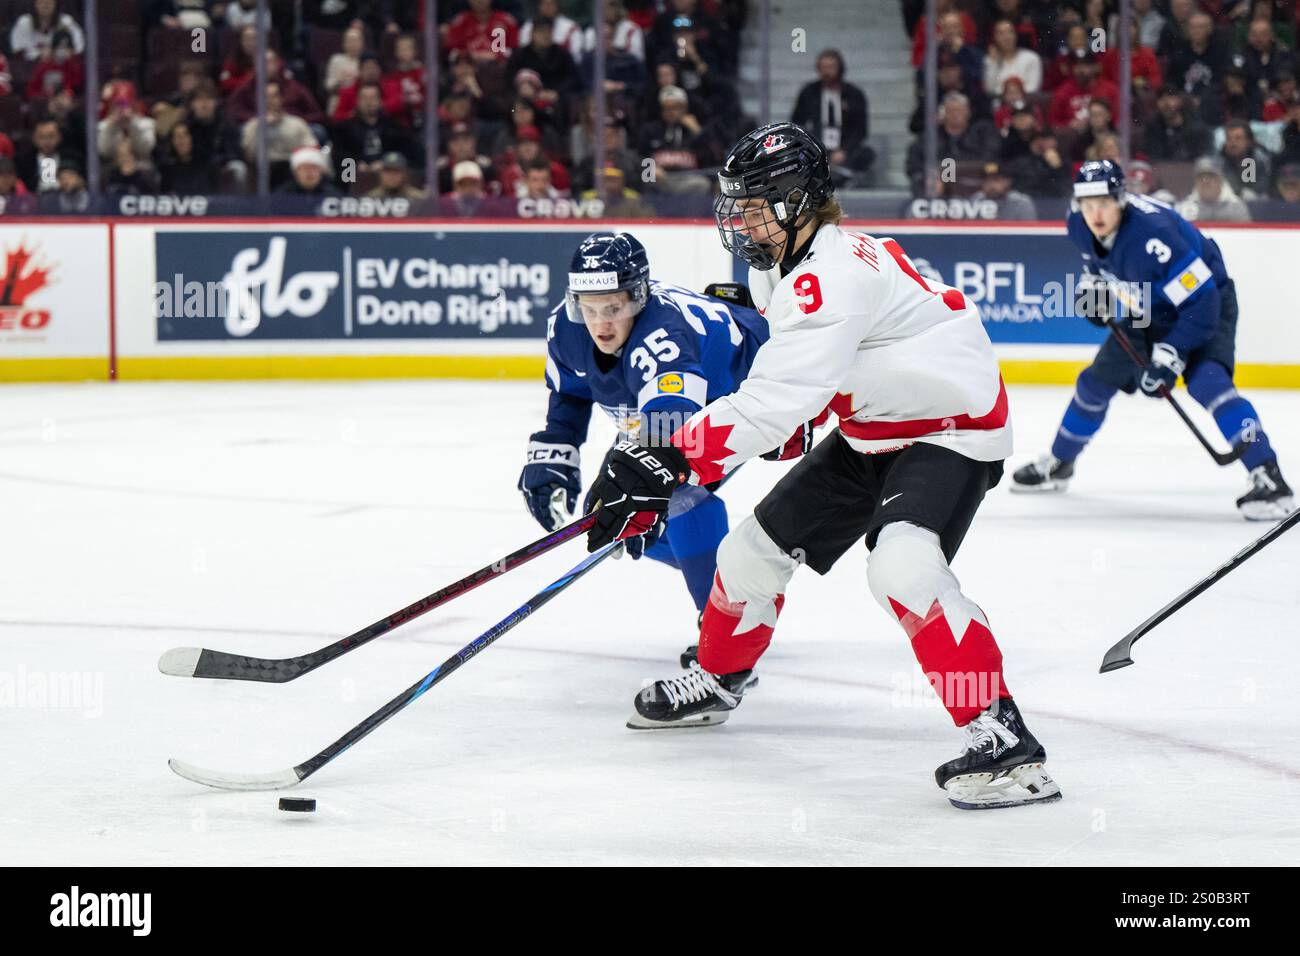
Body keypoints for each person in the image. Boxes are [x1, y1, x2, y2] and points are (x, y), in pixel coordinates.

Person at [583, 123, 1061, 810]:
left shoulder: (832, 275)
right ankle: (719, 679)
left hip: (949, 430)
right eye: (736, 204)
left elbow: (777, 400)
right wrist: (702, 444)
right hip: (875, 424)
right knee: (747, 555)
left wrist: (667, 453)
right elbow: (801, 388)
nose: (738, 218)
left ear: (798, 201)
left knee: (902, 567)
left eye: (752, 204)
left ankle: (1002, 737)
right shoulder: (776, 264)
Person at [519, 231, 771, 666]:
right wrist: (556, 454)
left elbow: (669, 424)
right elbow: (573, 393)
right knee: (623, 518)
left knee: (674, 496)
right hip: (665, 403)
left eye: (613, 309)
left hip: (750, 383)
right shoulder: (567, 326)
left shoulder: (663, 335)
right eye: (589, 308)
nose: (600, 324)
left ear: (637, 298)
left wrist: (646, 483)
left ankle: (724, 633)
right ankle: (736, 589)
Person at [1012, 160, 1292, 520]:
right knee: (1094, 384)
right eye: (1087, 204)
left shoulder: (1154, 235)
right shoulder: (1078, 224)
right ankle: (1060, 464)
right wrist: (1093, 290)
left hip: (1207, 304)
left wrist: (1169, 357)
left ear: (1121, 199)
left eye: (1104, 204)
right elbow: (1095, 265)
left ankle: (1271, 479)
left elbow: (1201, 300)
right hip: (1150, 307)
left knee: (1210, 384)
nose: (1095, 214)